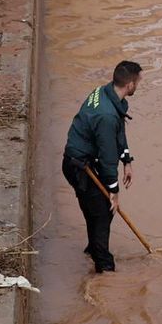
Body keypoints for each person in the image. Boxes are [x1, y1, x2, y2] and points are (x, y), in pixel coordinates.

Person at [61, 60, 141, 273]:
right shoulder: (106, 115)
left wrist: (127, 160)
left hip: (81, 161)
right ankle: (104, 267)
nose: (138, 86)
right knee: (103, 211)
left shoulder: (106, 94)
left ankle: (92, 248)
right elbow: (107, 158)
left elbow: (118, 132)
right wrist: (114, 191)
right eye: (138, 82)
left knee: (94, 208)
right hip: (79, 167)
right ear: (130, 84)